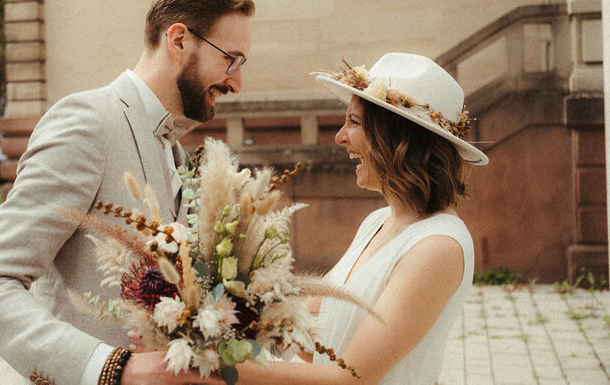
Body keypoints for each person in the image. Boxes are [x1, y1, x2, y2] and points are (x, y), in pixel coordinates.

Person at [0, 0, 255, 385]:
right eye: (230, 59)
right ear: (179, 41)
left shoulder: (177, 149)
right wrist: (111, 369)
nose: (236, 82)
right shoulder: (88, 123)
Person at [148, 52, 488, 385]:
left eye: (353, 122)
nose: (340, 136)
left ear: (397, 140)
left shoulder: (437, 247)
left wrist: (211, 367)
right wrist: (205, 313)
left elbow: (350, 377)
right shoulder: (379, 221)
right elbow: (308, 335)